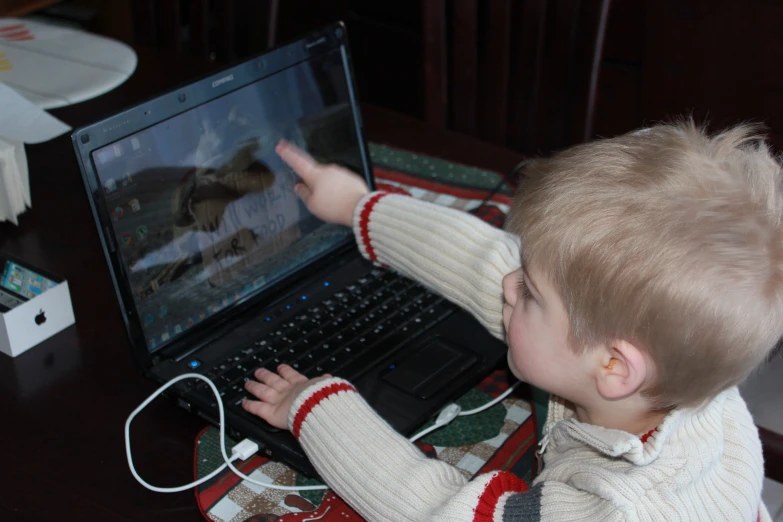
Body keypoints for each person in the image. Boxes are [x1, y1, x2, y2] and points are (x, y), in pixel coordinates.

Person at [241, 121, 781, 521]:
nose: (508, 283)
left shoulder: (612, 511)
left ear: (615, 364)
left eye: (530, 293)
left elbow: (437, 510)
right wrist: (361, 206)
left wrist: (315, 408)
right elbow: (488, 262)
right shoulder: (682, 366)